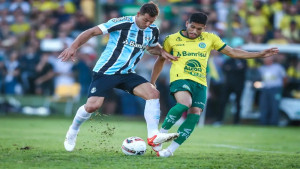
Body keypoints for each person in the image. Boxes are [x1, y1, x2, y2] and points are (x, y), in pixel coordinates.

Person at [150, 12, 279, 157]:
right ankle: (160, 135)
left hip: (200, 83)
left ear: (204, 28)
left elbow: (232, 52)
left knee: (195, 115)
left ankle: (169, 151)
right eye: (192, 27)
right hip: (180, 78)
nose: (195, 31)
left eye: (199, 29)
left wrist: (259, 54)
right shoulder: (171, 39)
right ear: (187, 23)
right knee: (185, 103)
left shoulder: (210, 38)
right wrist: (152, 82)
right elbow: (160, 60)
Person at [59, 2, 179, 152]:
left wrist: (161, 51)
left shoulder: (153, 30)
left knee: (153, 93)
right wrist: (73, 47)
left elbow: (151, 47)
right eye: (145, 20)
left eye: (151, 21)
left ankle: (153, 136)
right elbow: (91, 32)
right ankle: (73, 130)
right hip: (106, 71)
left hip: (127, 73)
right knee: (92, 106)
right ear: (138, 15)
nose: (147, 24)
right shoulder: (122, 22)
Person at [258, 55, 286, 126]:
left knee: (274, 106)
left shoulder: (278, 67)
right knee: (264, 106)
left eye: (267, 59)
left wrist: (281, 88)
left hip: (275, 89)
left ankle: (274, 123)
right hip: (265, 89)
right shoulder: (262, 68)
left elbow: (285, 78)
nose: (266, 61)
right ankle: (263, 123)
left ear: (271, 60)